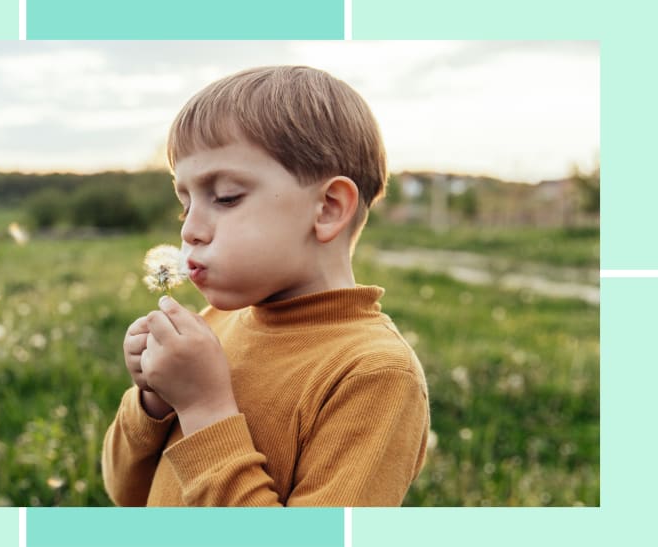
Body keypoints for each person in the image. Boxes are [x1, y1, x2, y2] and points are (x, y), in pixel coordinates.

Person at [101, 65, 430, 506]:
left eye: (226, 197)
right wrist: (153, 402)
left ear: (329, 209)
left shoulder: (374, 375)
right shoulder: (216, 323)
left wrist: (204, 409)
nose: (191, 230)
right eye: (185, 205)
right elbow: (126, 492)